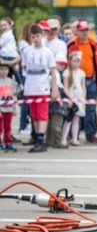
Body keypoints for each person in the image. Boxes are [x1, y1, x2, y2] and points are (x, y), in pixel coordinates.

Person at [21, 24, 59, 152]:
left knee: (42, 113)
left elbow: (53, 71)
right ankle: (37, 137)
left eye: (37, 36)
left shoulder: (47, 52)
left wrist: (55, 88)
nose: (35, 39)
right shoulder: (27, 51)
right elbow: (25, 68)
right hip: (31, 86)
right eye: (33, 36)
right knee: (34, 114)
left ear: (42, 36)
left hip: (43, 86)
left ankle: (40, 140)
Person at [66, 20, 97, 144]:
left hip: (90, 79)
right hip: (75, 80)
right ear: (77, 31)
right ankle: (73, 135)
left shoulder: (93, 44)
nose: (84, 33)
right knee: (74, 109)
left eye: (86, 30)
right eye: (82, 31)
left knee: (91, 108)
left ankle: (90, 134)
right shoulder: (72, 44)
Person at [61, 51, 86, 147]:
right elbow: (66, 87)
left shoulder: (81, 73)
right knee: (69, 119)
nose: (76, 63)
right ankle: (63, 139)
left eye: (77, 61)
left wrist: (84, 97)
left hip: (79, 97)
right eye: (74, 61)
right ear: (69, 61)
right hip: (71, 97)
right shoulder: (67, 73)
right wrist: (69, 98)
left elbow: (83, 86)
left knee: (76, 119)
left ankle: (75, 138)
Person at [46, 52, 69, 149]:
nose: (63, 66)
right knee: (57, 122)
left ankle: (49, 140)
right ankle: (56, 141)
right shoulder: (55, 74)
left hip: (50, 99)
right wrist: (60, 100)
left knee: (50, 121)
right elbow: (57, 87)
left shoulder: (54, 73)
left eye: (64, 64)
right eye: (60, 63)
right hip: (56, 100)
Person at [0, 61, 18, 153]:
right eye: (1, 69)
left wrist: (14, 108)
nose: (3, 71)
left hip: (9, 108)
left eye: (6, 69)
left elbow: (13, 95)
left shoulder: (11, 81)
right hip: (1, 108)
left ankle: (8, 143)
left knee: (8, 127)